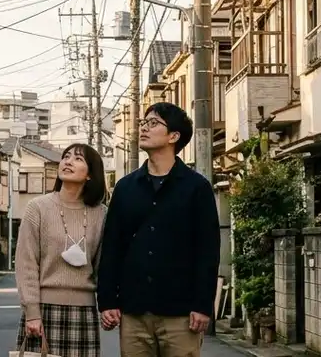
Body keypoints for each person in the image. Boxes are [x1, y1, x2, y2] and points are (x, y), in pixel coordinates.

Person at [96, 102, 221, 357]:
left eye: (154, 123)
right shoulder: (125, 187)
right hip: (134, 311)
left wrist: (203, 305)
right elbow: (112, 247)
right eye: (144, 123)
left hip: (181, 313)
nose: (144, 128)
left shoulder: (197, 188)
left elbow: (207, 251)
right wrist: (107, 300)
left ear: (174, 136)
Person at [14, 143, 109, 357]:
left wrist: (108, 306)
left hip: (84, 313)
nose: (68, 161)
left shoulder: (102, 214)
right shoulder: (37, 208)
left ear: (91, 174)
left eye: (78, 159)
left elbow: (104, 266)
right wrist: (32, 312)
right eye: (66, 157)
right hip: (43, 311)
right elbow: (26, 263)